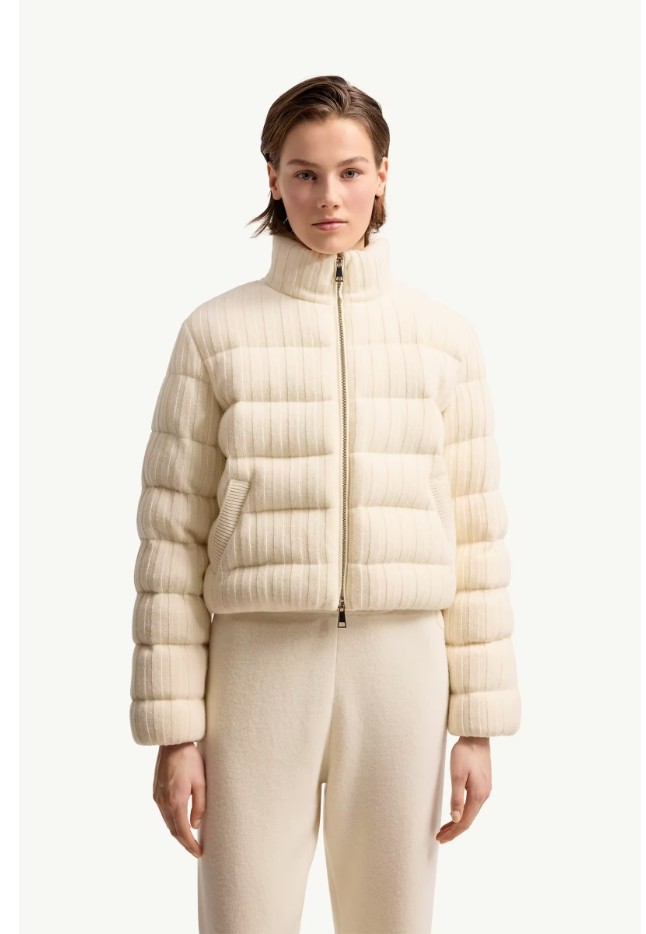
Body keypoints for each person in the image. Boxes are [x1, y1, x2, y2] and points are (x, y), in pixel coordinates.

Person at [129, 75, 522, 934]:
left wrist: (477, 727)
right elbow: (171, 536)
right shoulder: (215, 334)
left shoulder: (444, 339)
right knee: (244, 919)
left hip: (401, 669)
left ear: (383, 175)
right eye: (304, 173)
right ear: (273, 179)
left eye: (349, 172)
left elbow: (477, 538)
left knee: (392, 921)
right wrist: (175, 730)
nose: (328, 196)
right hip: (255, 670)